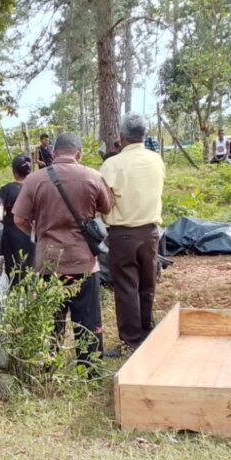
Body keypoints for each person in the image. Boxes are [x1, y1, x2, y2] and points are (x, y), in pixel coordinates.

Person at [13, 132, 113, 369]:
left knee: (52, 318)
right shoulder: (92, 175)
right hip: (84, 261)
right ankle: (90, 367)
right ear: (78, 153)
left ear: (54, 153)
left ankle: (49, 366)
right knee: (88, 318)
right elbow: (106, 208)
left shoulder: (35, 180)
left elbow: (19, 219)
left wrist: (39, 233)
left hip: (49, 262)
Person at [100, 112, 165, 350]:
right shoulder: (156, 159)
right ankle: (146, 330)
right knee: (147, 283)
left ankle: (131, 339)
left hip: (123, 233)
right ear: (145, 135)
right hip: (150, 232)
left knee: (127, 286)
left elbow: (103, 200)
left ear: (121, 136)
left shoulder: (112, 164)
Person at [0, 155, 35, 280]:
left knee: (13, 269)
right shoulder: (36, 188)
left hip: (11, 236)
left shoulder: (7, 189)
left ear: (14, 172)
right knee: (32, 267)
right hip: (32, 233)